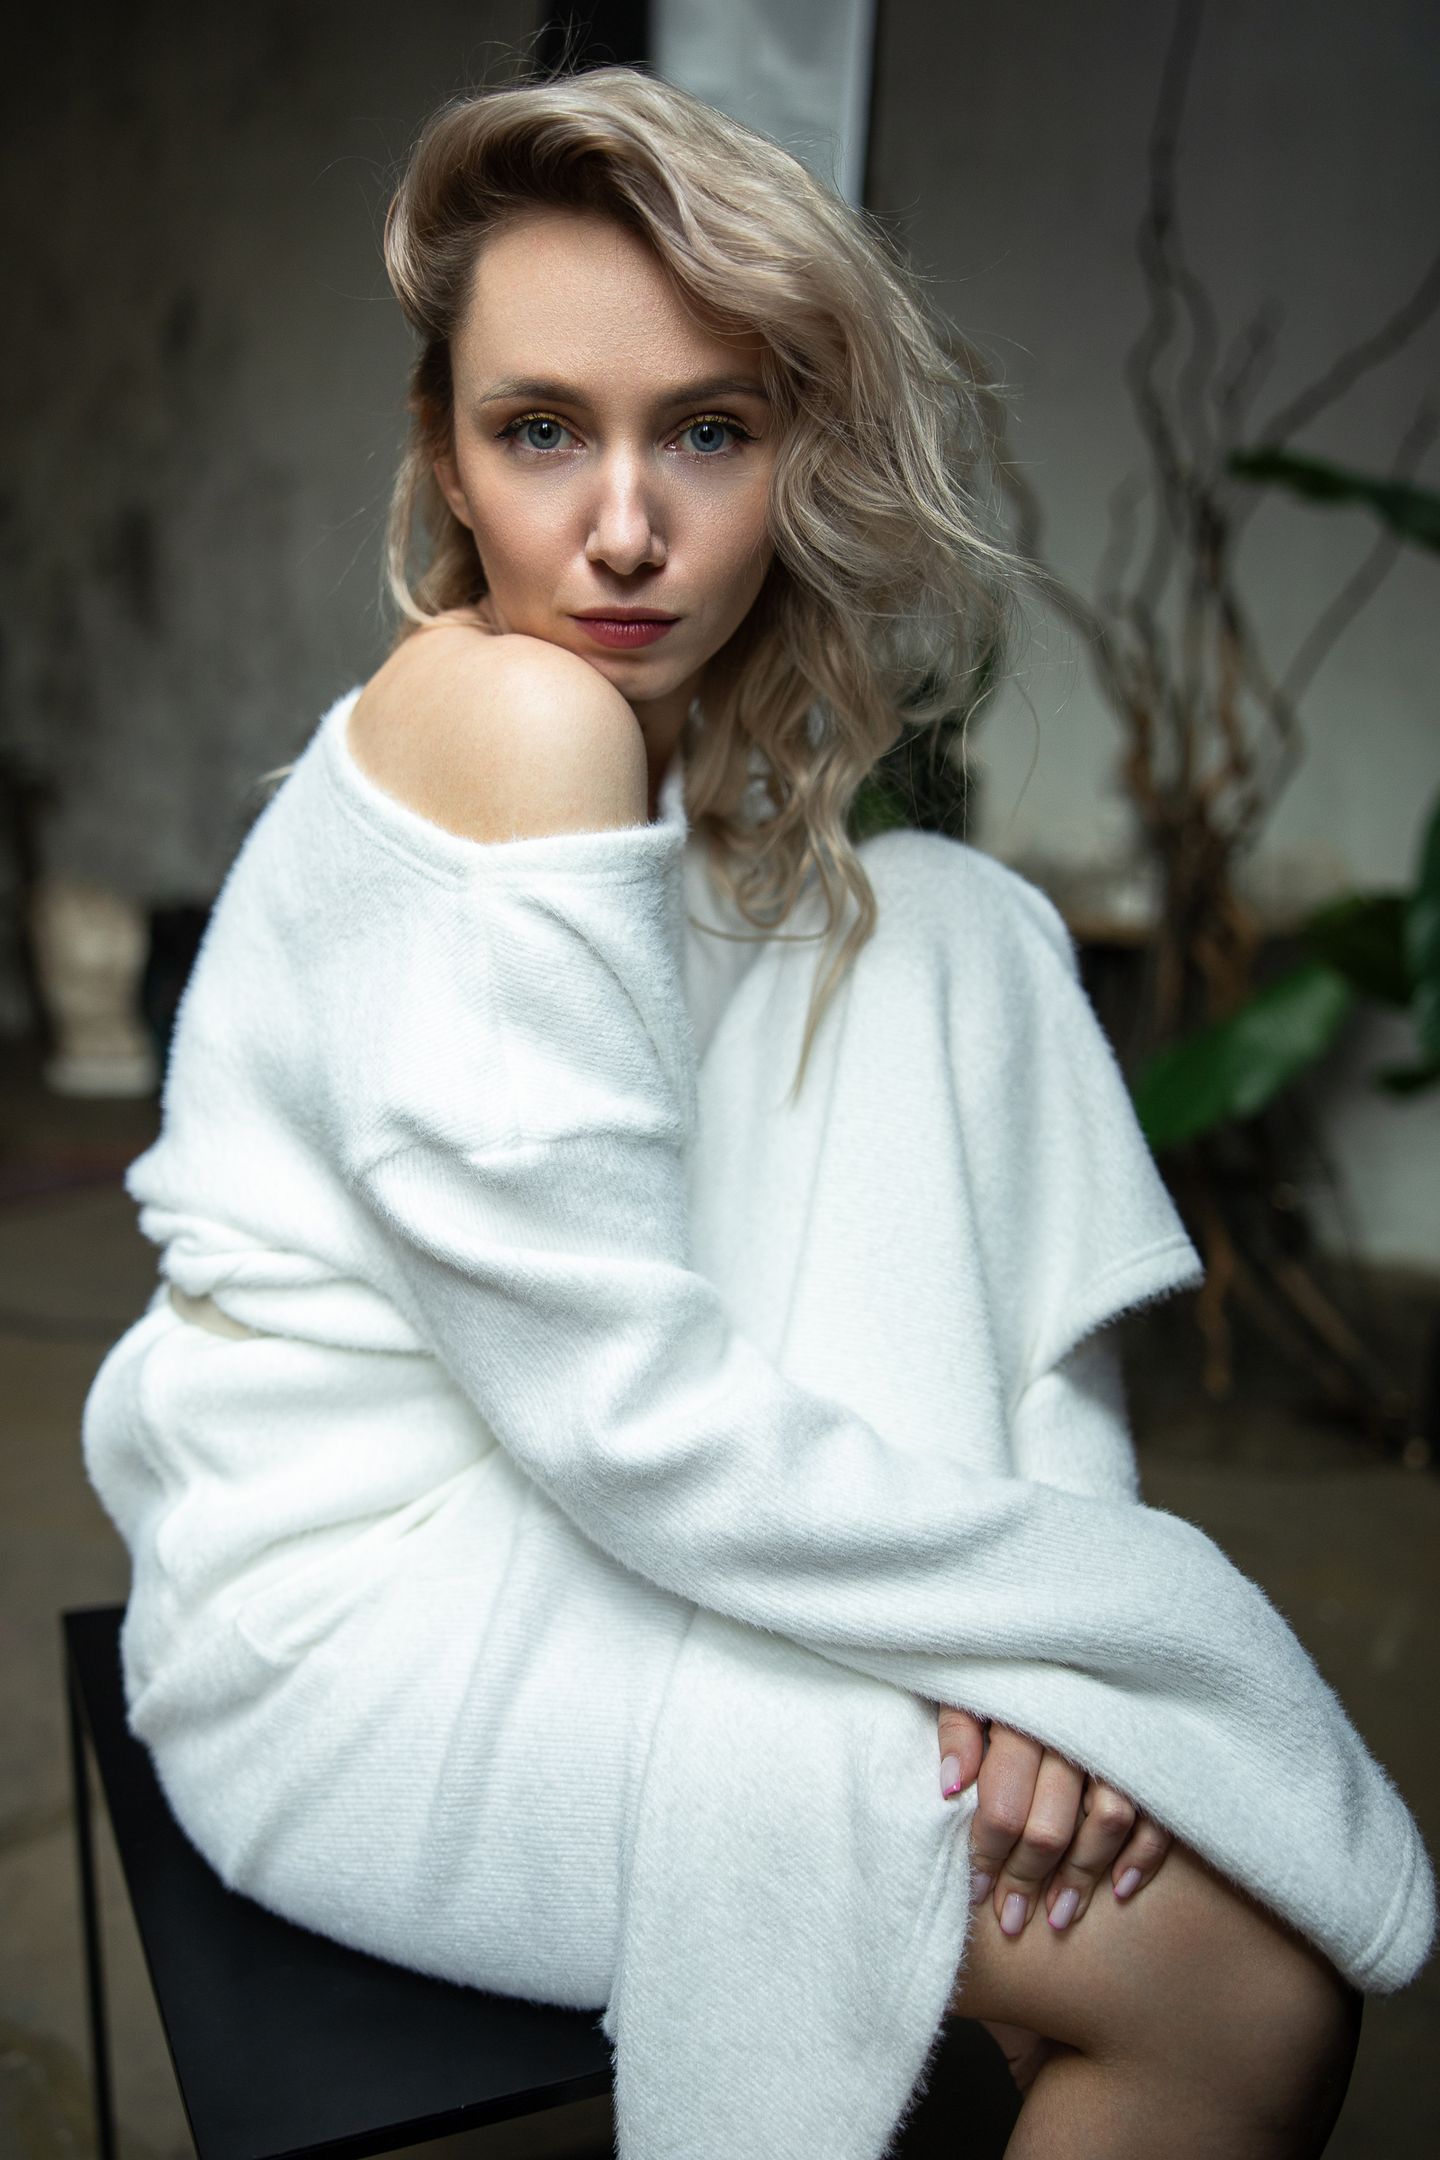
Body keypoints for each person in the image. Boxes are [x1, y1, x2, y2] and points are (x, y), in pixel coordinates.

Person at [82, 65, 1429, 2160]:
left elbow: (997, 1299)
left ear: (797, 451)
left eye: (706, 430)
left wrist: (1037, 1649)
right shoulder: (508, 714)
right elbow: (622, 1418)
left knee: (952, 924)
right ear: (444, 453)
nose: (624, 526)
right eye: (543, 431)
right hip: (373, 1618)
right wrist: (1102, 1627)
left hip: (615, 1526)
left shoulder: (772, 838)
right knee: (1244, 1991)